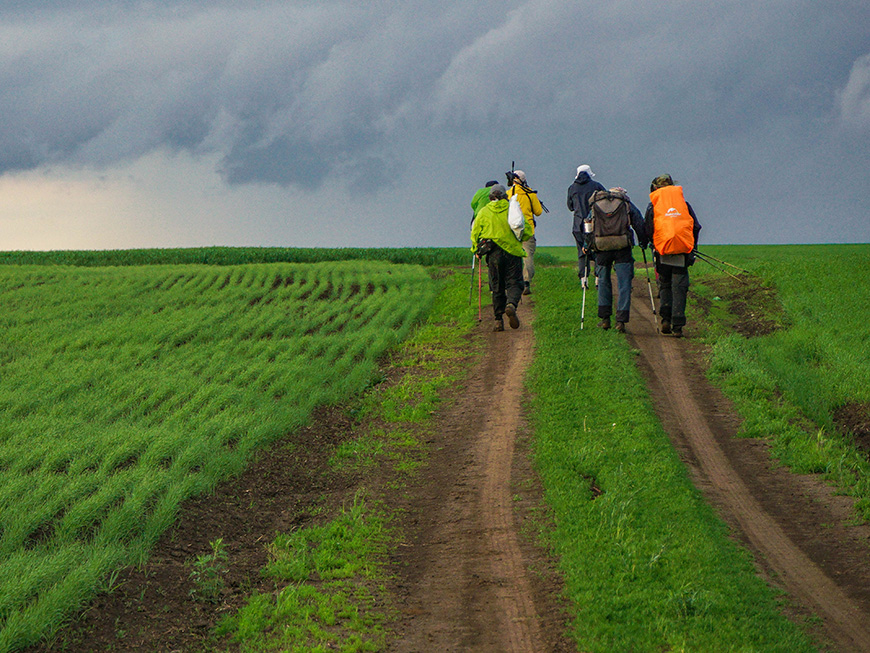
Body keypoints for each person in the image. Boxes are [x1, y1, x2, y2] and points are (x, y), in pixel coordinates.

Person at [643, 174, 702, 337]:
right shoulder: (684, 204)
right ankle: (678, 326)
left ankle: (666, 320)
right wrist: (692, 247)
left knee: (665, 285)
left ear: (656, 189)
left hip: (662, 252)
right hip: (682, 252)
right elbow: (696, 227)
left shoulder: (653, 206)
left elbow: (648, 228)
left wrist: (652, 242)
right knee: (680, 288)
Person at [584, 187, 647, 333]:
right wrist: (643, 242)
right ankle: (621, 321)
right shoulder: (626, 203)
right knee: (624, 284)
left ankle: (605, 319)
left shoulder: (596, 203)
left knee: (603, 281)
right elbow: (638, 223)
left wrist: (586, 245)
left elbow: (588, 225)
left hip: (601, 248)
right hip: (622, 247)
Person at [471, 184, 532, 331]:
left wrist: (475, 250)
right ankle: (511, 304)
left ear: (490, 197)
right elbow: (526, 230)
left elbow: (475, 233)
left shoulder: (484, 212)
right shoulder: (512, 209)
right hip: (512, 252)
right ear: (505, 196)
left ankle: (498, 320)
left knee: (497, 286)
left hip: (493, 254)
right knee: (515, 283)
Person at [568, 164, 606, 288]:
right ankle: (597, 279)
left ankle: (583, 281)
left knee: (581, 252)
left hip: (578, 224)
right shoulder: (597, 186)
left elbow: (570, 207)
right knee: (597, 250)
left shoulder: (572, 188)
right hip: (595, 223)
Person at [506, 170, 543, 295]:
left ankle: (512, 283)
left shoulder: (508, 194)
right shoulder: (530, 193)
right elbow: (538, 212)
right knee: (527, 257)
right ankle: (526, 282)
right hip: (528, 230)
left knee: (512, 257)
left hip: (512, 231)